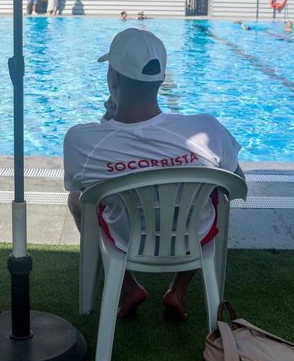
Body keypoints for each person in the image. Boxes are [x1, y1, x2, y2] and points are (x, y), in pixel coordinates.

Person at [63, 28, 244, 322]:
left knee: (78, 198)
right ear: (160, 80)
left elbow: (80, 184)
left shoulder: (83, 141)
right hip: (192, 237)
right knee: (214, 194)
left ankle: (129, 286)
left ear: (113, 79)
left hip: (127, 238)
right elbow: (238, 185)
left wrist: (107, 123)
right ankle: (178, 289)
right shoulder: (207, 129)